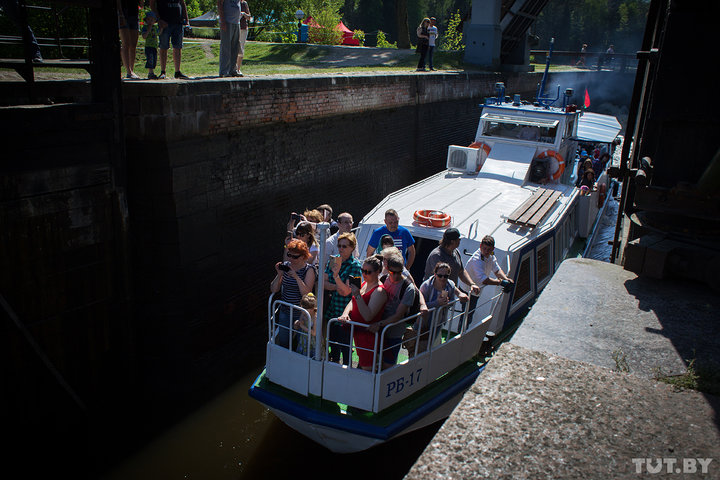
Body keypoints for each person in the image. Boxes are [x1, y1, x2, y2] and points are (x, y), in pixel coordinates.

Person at [368, 249, 418, 369]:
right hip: (379, 330)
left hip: (393, 331)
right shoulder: (383, 279)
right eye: (392, 272)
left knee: (388, 364)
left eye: (399, 272)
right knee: (372, 361)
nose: (395, 276)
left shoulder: (408, 288)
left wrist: (379, 324)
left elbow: (398, 316)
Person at [338, 255, 387, 371]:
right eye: (362, 270)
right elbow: (352, 301)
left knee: (367, 368)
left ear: (378, 272)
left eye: (368, 272)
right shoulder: (365, 283)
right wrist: (345, 313)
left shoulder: (379, 291)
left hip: (368, 337)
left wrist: (358, 295)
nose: (364, 274)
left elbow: (368, 316)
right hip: (358, 332)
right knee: (362, 365)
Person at [324, 233, 362, 365]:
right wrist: (338, 286)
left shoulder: (356, 267)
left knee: (346, 347)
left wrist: (335, 276)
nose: (340, 249)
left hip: (347, 312)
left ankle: (347, 371)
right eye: (339, 246)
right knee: (332, 344)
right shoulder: (332, 261)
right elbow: (323, 283)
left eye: (344, 246)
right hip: (333, 309)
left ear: (352, 248)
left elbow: (347, 292)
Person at [270, 239, 316, 349]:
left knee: (302, 342)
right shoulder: (286, 266)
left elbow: (307, 293)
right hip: (286, 311)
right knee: (284, 340)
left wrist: (296, 277)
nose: (291, 259)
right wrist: (279, 274)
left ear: (303, 256)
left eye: (295, 257)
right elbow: (273, 289)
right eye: (289, 255)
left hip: (302, 313)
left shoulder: (309, 270)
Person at [423, 228, 481, 296]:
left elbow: (461, 271)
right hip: (434, 296)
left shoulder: (455, 252)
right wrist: (459, 293)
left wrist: (472, 284)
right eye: (459, 239)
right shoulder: (437, 256)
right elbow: (441, 280)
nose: (460, 241)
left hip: (449, 295)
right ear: (453, 241)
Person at [419, 262, 468, 340]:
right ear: (435, 274)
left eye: (446, 276)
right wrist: (437, 303)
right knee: (418, 344)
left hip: (438, 321)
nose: (442, 278)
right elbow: (419, 305)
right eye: (440, 276)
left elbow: (451, 301)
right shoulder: (426, 286)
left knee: (432, 343)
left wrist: (447, 303)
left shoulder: (450, 286)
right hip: (424, 322)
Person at [150, 0, 190, 79]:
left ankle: (177, 71)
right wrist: (158, 19)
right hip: (165, 22)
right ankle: (163, 71)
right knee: (163, 46)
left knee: (178, 47)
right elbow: (152, 4)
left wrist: (186, 19)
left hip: (178, 22)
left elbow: (182, 2)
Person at [118, 0, 143, 79]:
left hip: (134, 13)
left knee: (133, 44)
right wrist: (120, 14)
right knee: (126, 43)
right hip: (123, 13)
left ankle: (131, 70)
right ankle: (128, 71)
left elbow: (141, 4)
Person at [218, 0, 243, 77]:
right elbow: (219, 4)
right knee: (226, 47)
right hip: (227, 22)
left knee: (235, 47)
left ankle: (233, 70)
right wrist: (223, 21)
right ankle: (224, 71)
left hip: (236, 22)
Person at [141, 10, 160, 79]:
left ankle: (152, 72)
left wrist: (162, 29)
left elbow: (158, 33)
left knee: (154, 59)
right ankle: (150, 72)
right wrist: (148, 30)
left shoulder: (155, 28)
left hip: (154, 46)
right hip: (148, 46)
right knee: (150, 59)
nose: (150, 21)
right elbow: (144, 36)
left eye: (152, 20)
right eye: (148, 19)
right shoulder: (145, 28)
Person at [236, 0, 251, 76]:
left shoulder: (244, 3)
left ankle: (238, 69)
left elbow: (249, 17)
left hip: (243, 29)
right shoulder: (233, 3)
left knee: (241, 49)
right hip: (235, 28)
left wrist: (244, 14)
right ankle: (233, 68)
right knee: (234, 48)